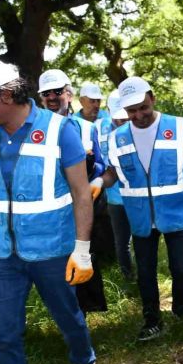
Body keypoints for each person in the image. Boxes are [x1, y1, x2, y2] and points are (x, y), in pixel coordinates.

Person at [0, 57, 97, 364]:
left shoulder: (61, 129)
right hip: (5, 254)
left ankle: (84, 360)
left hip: (52, 251)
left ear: (6, 94)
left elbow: (81, 193)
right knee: (4, 333)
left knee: (69, 319)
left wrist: (82, 249)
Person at [90, 76, 183, 341]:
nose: (138, 115)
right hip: (139, 217)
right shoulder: (118, 137)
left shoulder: (178, 126)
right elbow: (114, 173)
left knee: (182, 267)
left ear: (152, 97)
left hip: (176, 213)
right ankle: (152, 320)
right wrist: (98, 182)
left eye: (142, 108)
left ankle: (181, 309)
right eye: (131, 111)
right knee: (146, 272)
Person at [38, 69, 109, 313]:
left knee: (84, 257)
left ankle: (84, 316)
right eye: (46, 93)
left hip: (82, 206)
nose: (52, 97)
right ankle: (66, 315)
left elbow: (101, 164)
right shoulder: (35, 130)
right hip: (50, 211)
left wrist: (93, 174)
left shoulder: (87, 128)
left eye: (57, 91)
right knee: (55, 265)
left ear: (68, 94)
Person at [95, 90, 133, 280]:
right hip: (114, 195)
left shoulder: (140, 126)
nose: (122, 122)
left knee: (143, 238)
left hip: (138, 195)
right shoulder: (97, 128)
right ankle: (128, 276)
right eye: (118, 118)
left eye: (126, 118)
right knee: (122, 241)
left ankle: (145, 274)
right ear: (108, 110)